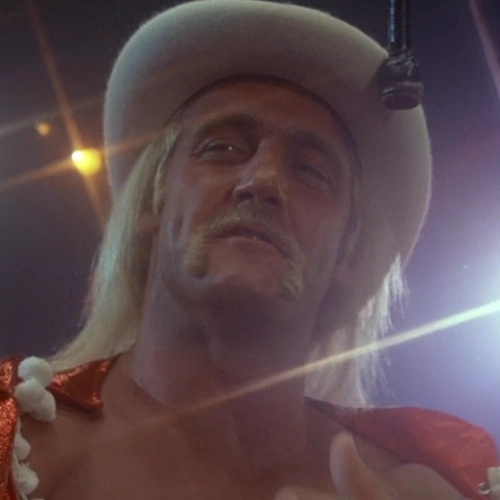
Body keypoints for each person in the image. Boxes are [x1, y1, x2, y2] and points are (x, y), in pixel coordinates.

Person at [1, 1, 498, 499]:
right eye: (222, 148)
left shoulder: (429, 487)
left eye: (310, 172)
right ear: (153, 201)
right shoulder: (23, 443)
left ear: (348, 254)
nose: (262, 180)